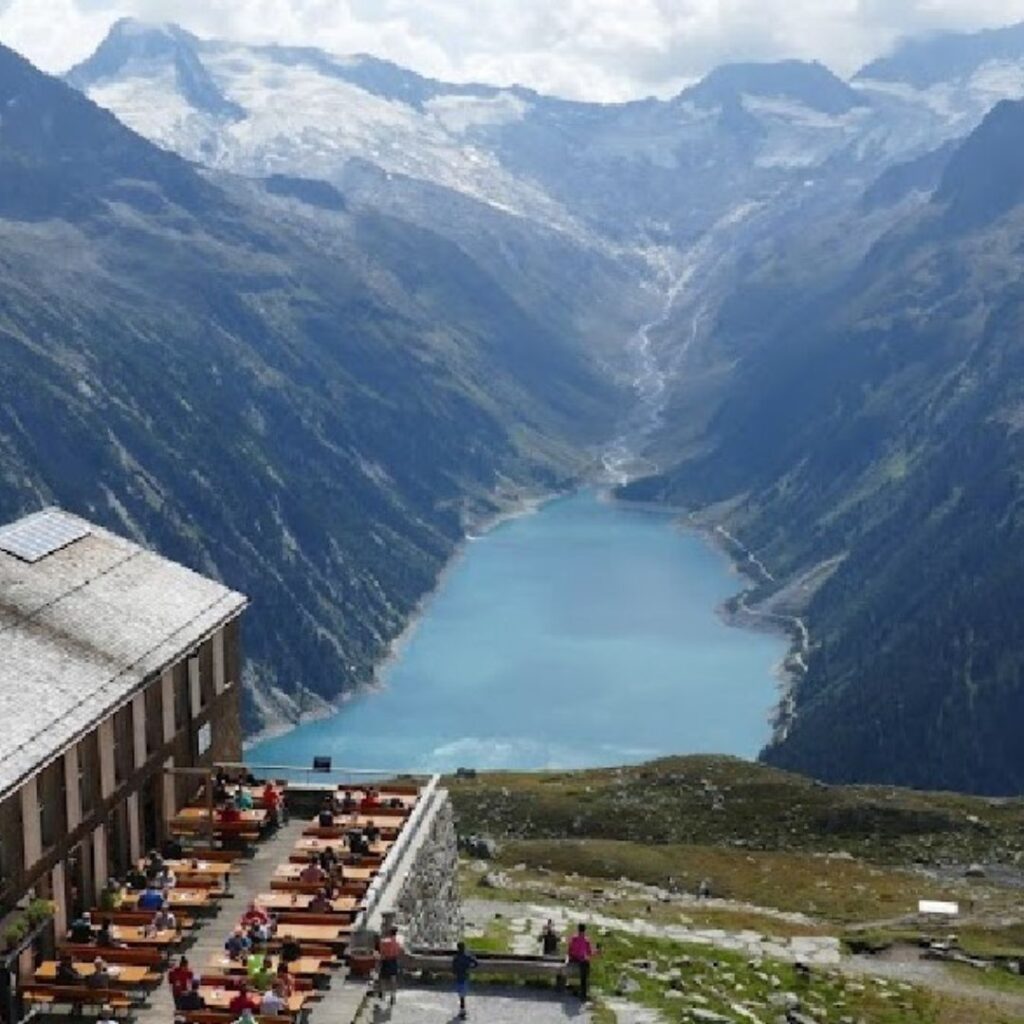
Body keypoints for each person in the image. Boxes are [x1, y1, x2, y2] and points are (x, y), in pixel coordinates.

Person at [567, 923, 596, 1003]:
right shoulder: (586, 940)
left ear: (578, 929)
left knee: (582, 964)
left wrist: (571, 956)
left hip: (573, 959)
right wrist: (596, 952)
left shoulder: (574, 938)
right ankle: (583, 993)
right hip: (581, 961)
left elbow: (569, 949)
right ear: (585, 930)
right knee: (585, 969)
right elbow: (589, 953)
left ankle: (573, 987)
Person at [451, 941, 479, 1020]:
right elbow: (476, 963)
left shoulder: (456, 958)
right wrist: (470, 967)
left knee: (461, 995)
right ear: (464, 948)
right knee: (463, 995)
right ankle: (463, 1011)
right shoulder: (467, 956)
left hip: (458, 977)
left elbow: (453, 969)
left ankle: (462, 1010)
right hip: (465, 976)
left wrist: (455, 972)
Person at [376, 926, 403, 1007]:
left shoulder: (384, 942)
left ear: (389, 932)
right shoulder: (398, 942)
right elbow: (399, 952)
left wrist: (379, 961)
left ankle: (383, 994)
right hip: (393, 960)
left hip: (386, 960)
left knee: (382, 978)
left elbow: (381, 952)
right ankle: (393, 996)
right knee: (393, 979)